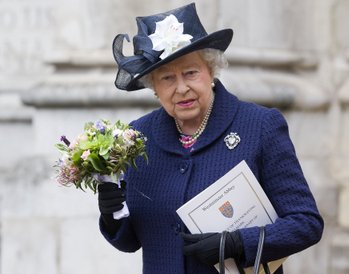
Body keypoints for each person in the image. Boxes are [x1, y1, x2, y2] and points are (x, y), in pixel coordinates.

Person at [98, 3, 324, 274]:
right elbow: (130, 241)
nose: (182, 88)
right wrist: (113, 216)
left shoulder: (260, 126)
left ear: (211, 71)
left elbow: (306, 223)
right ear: (154, 87)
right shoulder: (138, 138)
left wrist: (238, 243)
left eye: (191, 73)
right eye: (167, 78)